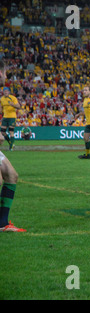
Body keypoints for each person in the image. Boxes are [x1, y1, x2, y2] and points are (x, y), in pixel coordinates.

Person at [0, 60, 25, 232]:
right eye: (4, 72)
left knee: (11, 175)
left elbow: (19, 106)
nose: (5, 76)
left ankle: (2, 224)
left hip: (9, 119)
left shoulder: (9, 98)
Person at [0, 87, 21, 151]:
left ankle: (11, 147)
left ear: (9, 92)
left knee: (11, 131)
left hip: (12, 116)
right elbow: (1, 107)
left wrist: (12, 105)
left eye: (7, 91)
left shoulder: (13, 98)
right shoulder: (2, 99)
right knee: (3, 132)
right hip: (5, 117)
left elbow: (18, 107)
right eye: (4, 91)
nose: (5, 92)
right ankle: (10, 143)